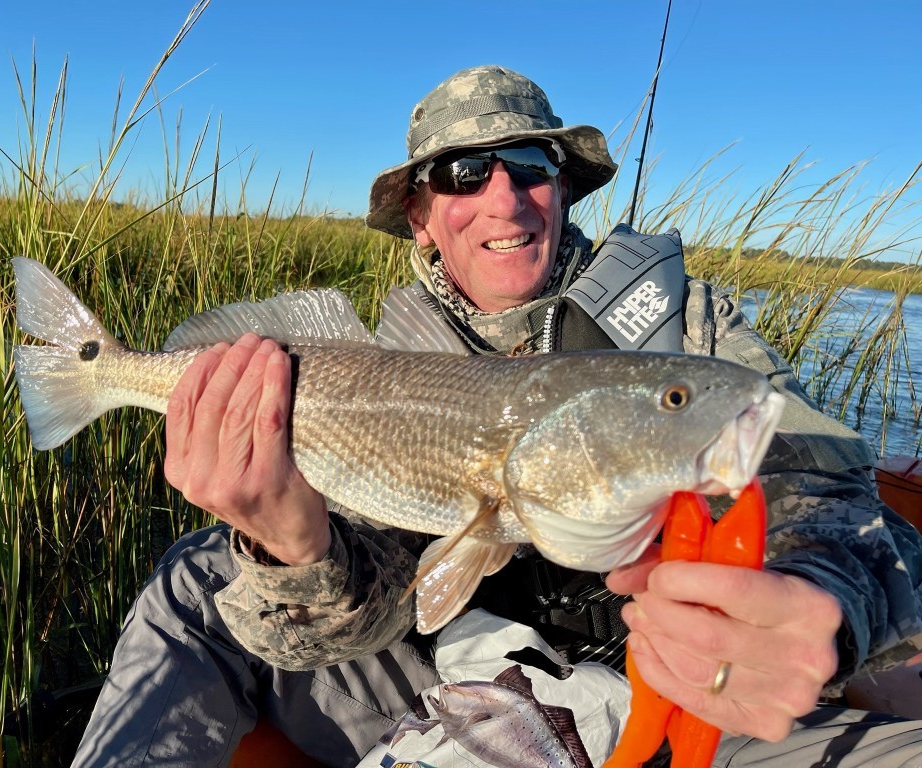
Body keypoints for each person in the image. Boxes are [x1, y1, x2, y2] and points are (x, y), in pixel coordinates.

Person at [71, 65, 922, 767]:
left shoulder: (686, 338)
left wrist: (820, 601)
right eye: (462, 175)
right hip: (452, 670)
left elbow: (850, 509)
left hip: (691, 690)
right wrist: (294, 549)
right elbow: (392, 605)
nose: (504, 199)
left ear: (563, 188)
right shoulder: (383, 361)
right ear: (420, 217)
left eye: (529, 165)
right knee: (197, 578)